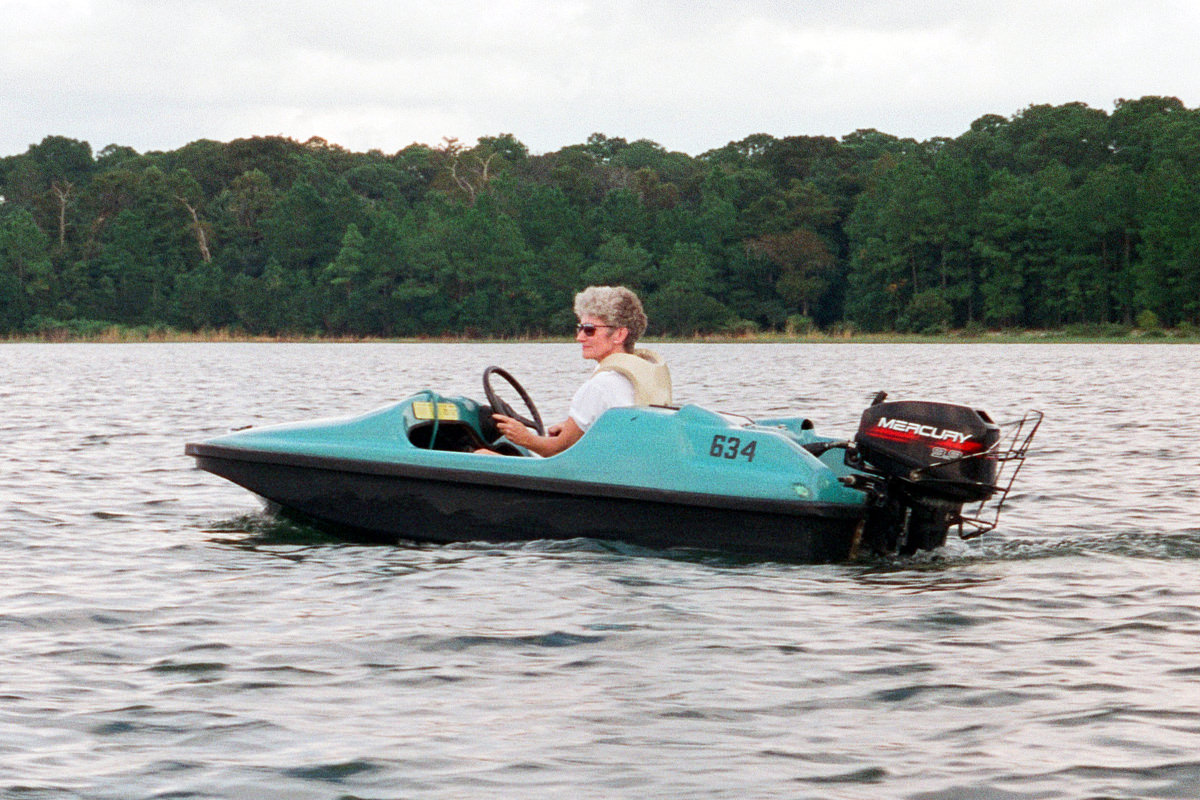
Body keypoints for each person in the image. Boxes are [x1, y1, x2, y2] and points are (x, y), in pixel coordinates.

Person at [489, 285, 671, 457]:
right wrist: (576, 428)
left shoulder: (601, 386)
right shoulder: (637, 375)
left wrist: (525, 438)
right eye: (580, 328)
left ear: (619, 335)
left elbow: (556, 451)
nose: (579, 337)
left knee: (481, 453)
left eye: (589, 330)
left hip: (595, 477)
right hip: (623, 468)